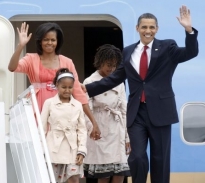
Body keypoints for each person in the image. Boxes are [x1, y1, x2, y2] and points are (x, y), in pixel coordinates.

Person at [82, 5, 198, 183]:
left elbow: (191, 52)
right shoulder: (128, 51)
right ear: (137, 28)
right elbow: (114, 79)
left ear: (157, 29)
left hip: (161, 111)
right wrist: (87, 89)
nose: (148, 30)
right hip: (137, 113)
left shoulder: (167, 47)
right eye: (144, 27)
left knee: (160, 160)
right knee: (136, 157)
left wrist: (189, 30)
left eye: (152, 27)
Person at [8, 22, 101, 140]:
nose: (49, 43)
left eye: (53, 40)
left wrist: (93, 122)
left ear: (58, 42)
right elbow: (12, 67)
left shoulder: (67, 62)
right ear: (40, 41)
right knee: (38, 141)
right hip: (36, 107)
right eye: (46, 39)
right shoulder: (31, 59)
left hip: (62, 107)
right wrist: (20, 46)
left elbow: (78, 92)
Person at [83, 44, 131, 183]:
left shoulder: (120, 83)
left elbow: (124, 110)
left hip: (117, 130)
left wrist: (127, 137)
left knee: (120, 172)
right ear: (100, 62)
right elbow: (86, 109)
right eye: (108, 64)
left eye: (115, 65)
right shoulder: (90, 81)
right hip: (100, 128)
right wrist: (92, 127)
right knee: (103, 174)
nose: (111, 69)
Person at [41, 68, 87, 183]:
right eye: (64, 87)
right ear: (57, 85)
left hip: (73, 149)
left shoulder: (77, 105)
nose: (67, 90)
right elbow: (42, 128)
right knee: (52, 179)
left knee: (73, 179)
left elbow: (82, 129)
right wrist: (41, 149)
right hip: (53, 148)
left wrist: (81, 150)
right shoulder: (49, 103)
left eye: (70, 87)